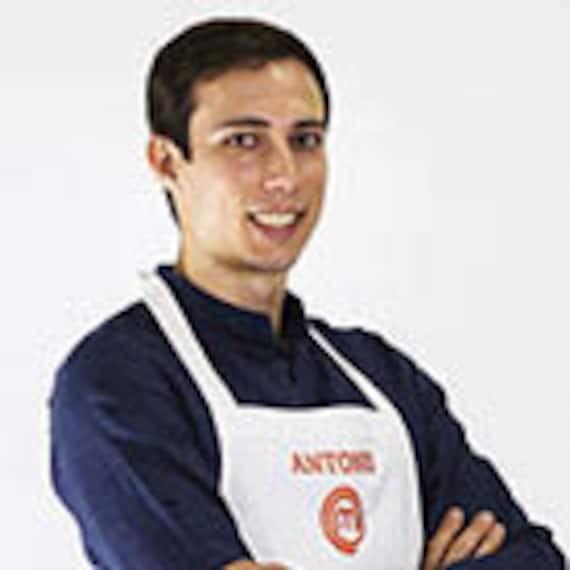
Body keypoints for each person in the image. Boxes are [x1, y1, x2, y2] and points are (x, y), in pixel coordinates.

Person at [49, 18, 565, 570]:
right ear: (167, 162)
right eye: (243, 141)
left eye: (305, 140)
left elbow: (534, 559)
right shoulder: (118, 382)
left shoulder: (384, 378)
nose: (285, 176)